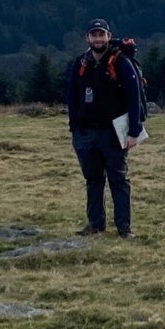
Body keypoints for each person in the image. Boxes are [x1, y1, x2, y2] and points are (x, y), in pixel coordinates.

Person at [65, 18, 144, 239]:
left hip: (113, 133)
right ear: (87, 38)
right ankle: (95, 224)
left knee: (118, 180)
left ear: (109, 36)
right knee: (93, 180)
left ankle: (124, 229)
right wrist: (74, 128)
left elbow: (133, 97)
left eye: (102, 35)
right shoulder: (80, 64)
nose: (98, 39)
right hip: (85, 133)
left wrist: (134, 131)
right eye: (94, 35)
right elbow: (71, 96)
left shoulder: (121, 62)